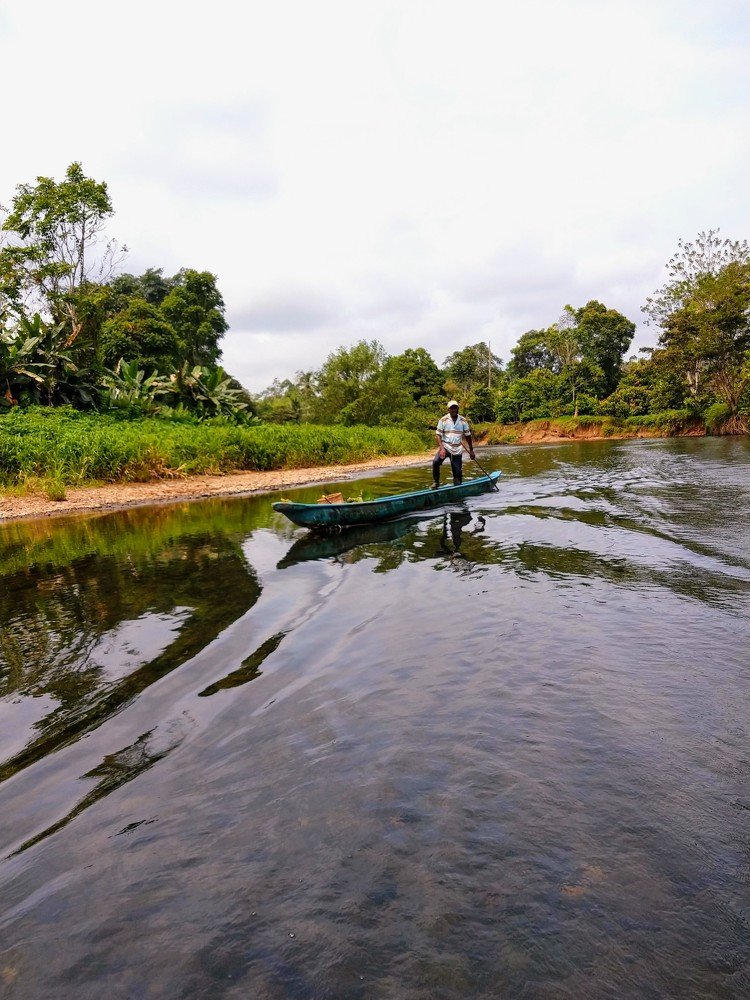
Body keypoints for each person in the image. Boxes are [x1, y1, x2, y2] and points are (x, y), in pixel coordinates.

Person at [432, 400, 475, 487]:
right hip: (445, 447)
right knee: (436, 462)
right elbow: (438, 435)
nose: (454, 410)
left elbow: (468, 435)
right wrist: (442, 448)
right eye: (452, 408)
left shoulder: (463, 420)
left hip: (457, 449)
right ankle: (436, 482)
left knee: (457, 473)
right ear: (448, 410)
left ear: (458, 408)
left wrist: (471, 450)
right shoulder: (443, 420)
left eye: (455, 407)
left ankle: (457, 486)